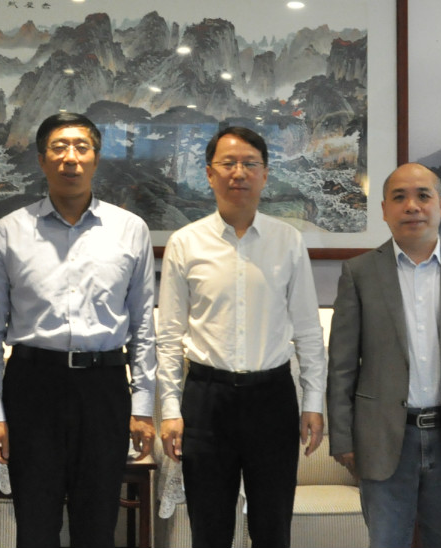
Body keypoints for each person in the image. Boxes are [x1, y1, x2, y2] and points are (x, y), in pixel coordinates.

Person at [0, 112, 156, 548]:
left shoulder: (130, 230)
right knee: (35, 525)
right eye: (58, 148)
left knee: (97, 525)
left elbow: (143, 325)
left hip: (104, 387)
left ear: (96, 158)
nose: (70, 158)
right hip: (32, 386)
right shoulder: (8, 233)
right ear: (41, 160)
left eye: (81, 147)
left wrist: (143, 405)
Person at [156, 126, 326, 548]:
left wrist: (313, 402)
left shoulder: (288, 241)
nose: (239, 172)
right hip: (205, 398)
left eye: (250, 163)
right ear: (209, 174)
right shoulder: (185, 243)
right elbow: (169, 335)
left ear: (265, 174)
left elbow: (308, 330)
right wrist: (170, 409)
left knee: (273, 528)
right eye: (228, 163)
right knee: (208, 529)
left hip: (272, 398)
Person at [326, 162, 441, 547]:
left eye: (423, 196)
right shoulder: (359, 273)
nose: (412, 206)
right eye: (399, 197)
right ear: (384, 210)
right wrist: (342, 439)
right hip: (383, 441)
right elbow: (342, 366)